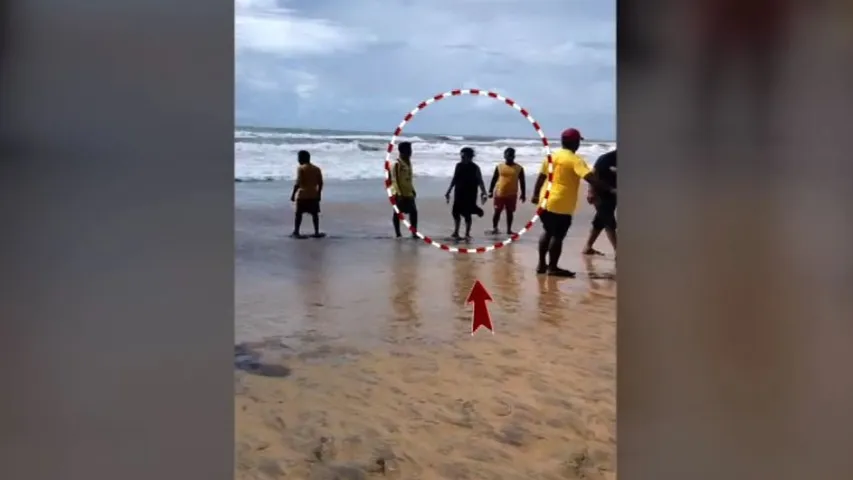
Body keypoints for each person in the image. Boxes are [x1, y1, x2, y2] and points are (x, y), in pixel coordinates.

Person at [531, 128, 613, 277]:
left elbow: (541, 177)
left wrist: (535, 194)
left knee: (548, 231)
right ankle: (553, 267)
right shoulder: (575, 160)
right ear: (575, 143)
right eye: (578, 142)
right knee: (558, 235)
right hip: (561, 202)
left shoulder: (551, 156)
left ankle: (541, 265)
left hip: (545, 200)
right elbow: (590, 177)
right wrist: (610, 189)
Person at [444, 147, 487, 240]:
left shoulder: (475, 167)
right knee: (455, 212)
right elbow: (454, 179)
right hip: (459, 192)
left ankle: (467, 233)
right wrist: (449, 191)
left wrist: (484, 193)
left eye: (464, 156)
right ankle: (456, 232)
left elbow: (480, 181)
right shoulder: (458, 165)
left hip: (470, 193)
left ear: (469, 157)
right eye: (461, 156)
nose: (462, 158)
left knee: (467, 214)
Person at [583, 149, 617, 255]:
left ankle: (588, 247)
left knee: (600, 221)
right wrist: (591, 192)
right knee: (609, 221)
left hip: (613, 194)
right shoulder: (606, 158)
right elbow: (592, 175)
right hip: (600, 194)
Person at [487, 147, 526, 234]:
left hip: (512, 194)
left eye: (511, 156)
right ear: (504, 156)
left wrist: (523, 194)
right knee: (497, 211)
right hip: (499, 193)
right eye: (508, 155)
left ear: (514, 156)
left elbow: (522, 182)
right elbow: (494, 179)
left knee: (510, 212)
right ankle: (495, 228)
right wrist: (490, 191)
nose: (510, 157)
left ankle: (509, 230)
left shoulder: (519, 168)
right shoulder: (499, 167)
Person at [289, 150, 325, 238]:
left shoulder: (301, 168)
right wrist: (319, 194)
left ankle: (296, 231)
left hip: (303, 195)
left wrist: (293, 194)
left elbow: (298, 182)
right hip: (313, 195)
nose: (298, 160)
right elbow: (320, 183)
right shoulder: (316, 169)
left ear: (302, 158)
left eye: (299, 158)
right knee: (315, 214)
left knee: (298, 214)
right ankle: (316, 232)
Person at [390, 141, 418, 238]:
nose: (411, 152)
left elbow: (409, 179)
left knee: (413, 213)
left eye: (411, 150)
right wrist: (400, 193)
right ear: (402, 151)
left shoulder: (408, 163)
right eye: (409, 150)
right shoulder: (397, 164)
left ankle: (414, 233)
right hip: (399, 193)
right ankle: (398, 233)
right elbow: (395, 180)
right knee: (397, 213)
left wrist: (413, 190)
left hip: (408, 192)